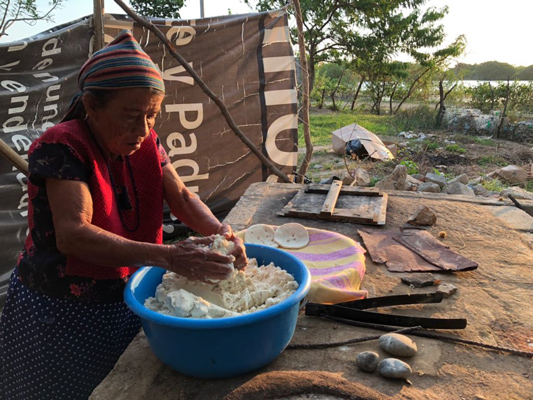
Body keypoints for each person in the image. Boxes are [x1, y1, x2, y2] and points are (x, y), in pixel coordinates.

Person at [0, 30, 247, 399]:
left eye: (151, 115)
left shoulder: (147, 142)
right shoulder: (61, 145)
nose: (143, 129)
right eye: (131, 116)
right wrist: (169, 256)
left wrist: (223, 233)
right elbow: (73, 234)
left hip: (125, 295)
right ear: (92, 106)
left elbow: (181, 196)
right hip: (61, 310)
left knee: (121, 385)